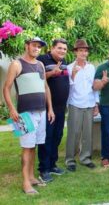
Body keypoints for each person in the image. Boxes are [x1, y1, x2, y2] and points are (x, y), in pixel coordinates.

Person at [3, 37, 55, 194]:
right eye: (34, 45)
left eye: (39, 47)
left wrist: (50, 108)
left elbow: (45, 87)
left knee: (34, 147)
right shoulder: (17, 64)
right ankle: (26, 183)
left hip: (42, 111)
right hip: (25, 114)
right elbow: (6, 88)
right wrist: (12, 109)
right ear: (27, 46)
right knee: (26, 148)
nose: (37, 49)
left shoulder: (40, 65)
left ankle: (32, 177)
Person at [37, 38, 69, 182]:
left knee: (57, 136)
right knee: (47, 137)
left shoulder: (65, 63)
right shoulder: (42, 60)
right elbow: (37, 79)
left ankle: (52, 164)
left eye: (64, 49)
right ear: (52, 48)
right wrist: (51, 73)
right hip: (47, 107)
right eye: (60, 48)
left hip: (61, 108)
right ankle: (43, 169)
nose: (62, 51)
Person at [65, 39, 99, 171]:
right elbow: (68, 88)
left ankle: (85, 158)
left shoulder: (91, 67)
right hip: (75, 104)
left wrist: (96, 104)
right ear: (75, 52)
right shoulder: (69, 68)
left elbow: (94, 87)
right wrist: (73, 74)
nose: (83, 53)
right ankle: (70, 160)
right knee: (74, 133)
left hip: (89, 104)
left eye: (85, 51)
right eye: (80, 50)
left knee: (87, 133)